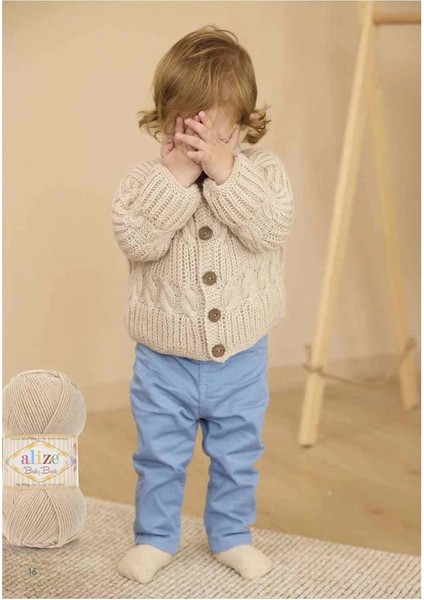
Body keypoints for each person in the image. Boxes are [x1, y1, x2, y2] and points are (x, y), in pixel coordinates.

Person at [111, 24, 295, 584]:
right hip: (163, 361)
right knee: (160, 456)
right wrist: (176, 179)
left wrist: (224, 173)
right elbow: (138, 240)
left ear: (243, 124)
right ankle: (155, 536)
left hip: (241, 358)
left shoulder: (263, 174)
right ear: (163, 119)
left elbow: (269, 229)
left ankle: (232, 535)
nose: (198, 141)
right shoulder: (145, 183)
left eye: (212, 129)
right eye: (184, 125)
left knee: (238, 456)